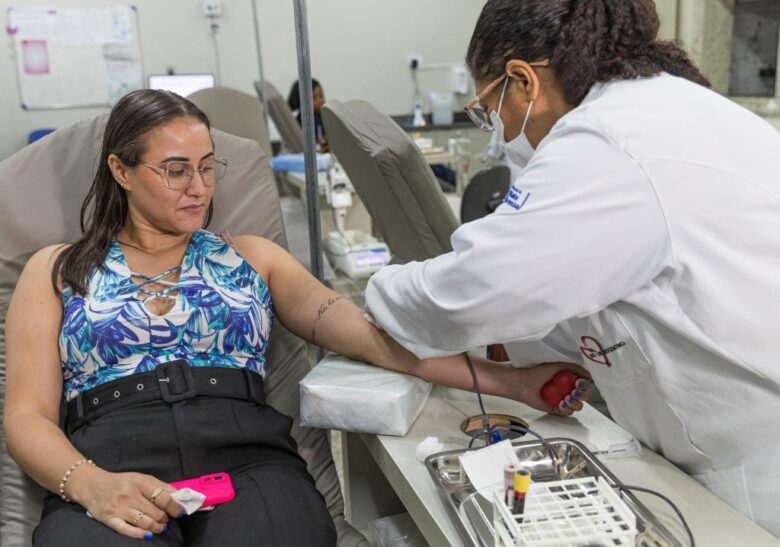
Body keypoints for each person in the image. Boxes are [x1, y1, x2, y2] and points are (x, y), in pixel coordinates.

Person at [3, 89, 589, 546]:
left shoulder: (252, 257)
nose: (199, 188)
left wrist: (513, 385)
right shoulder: (58, 269)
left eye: (208, 167)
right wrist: (91, 485)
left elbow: (375, 341)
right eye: (176, 170)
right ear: (121, 171)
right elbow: (26, 415)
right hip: (109, 453)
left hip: (244, 456)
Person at [364, 0, 780, 537]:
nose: (498, 131)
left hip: (758, 473)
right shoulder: (661, 111)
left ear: (522, 81)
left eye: (491, 110)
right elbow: (595, 292)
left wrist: (377, 293)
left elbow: (479, 290)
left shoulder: (608, 142)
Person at [287, 78, 328, 151]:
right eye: (314, 98)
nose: (320, 101)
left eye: (321, 96)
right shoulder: (310, 120)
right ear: (301, 100)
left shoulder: (322, 117)